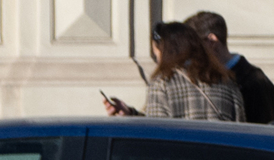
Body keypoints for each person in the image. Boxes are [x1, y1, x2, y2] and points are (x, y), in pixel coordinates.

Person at [104, 20, 243, 121]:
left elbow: (155, 135)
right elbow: (240, 130)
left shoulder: (163, 83)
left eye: (157, 55)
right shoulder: (226, 81)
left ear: (165, 53)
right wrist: (132, 114)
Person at [185, 10, 274, 123]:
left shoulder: (255, 82)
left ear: (212, 40)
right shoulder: (202, 77)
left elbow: (263, 131)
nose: (189, 53)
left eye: (193, 45)